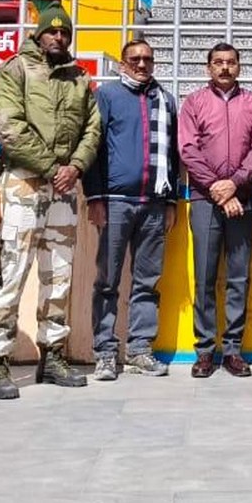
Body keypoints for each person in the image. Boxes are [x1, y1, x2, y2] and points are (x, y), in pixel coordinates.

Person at [0, 4, 102, 399]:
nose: (58, 38)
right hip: (23, 182)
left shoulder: (79, 78)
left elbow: (92, 128)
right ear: (39, 34)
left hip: (65, 186)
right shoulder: (14, 70)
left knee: (59, 273)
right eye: (52, 32)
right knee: (11, 270)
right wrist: (52, 166)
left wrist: (76, 166)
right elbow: (8, 127)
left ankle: (53, 354)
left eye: (64, 33)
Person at [86, 37, 182, 381]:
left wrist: (171, 201)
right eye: (135, 59)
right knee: (108, 281)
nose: (142, 65)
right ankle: (105, 352)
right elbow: (92, 147)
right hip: (114, 203)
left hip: (154, 204)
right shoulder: (107, 97)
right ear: (123, 63)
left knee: (147, 281)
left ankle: (140, 349)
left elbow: (173, 156)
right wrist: (94, 197)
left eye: (147, 59)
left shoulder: (165, 100)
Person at [179, 42, 252, 378]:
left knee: (239, 277)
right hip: (205, 200)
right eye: (218, 63)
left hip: (242, 200)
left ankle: (232, 350)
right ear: (208, 68)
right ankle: (204, 351)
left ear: (239, 67)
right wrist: (219, 188)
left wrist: (235, 183)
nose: (225, 68)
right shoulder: (194, 103)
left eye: (231, 62)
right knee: (204, 277)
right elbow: (188, 149)